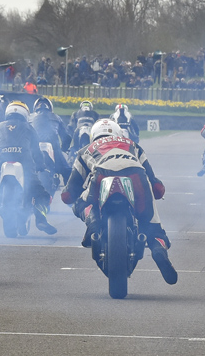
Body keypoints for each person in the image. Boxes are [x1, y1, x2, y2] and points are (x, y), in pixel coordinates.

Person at [61, 119, 177, 285]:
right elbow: (155, 183)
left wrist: (69, 197)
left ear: (93, 135)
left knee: (80, 203)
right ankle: (158, 249)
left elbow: (69, 192)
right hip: (136, 175)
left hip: (101, 174)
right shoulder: (133, 145)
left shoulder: (85, 150)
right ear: (118, 133)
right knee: (152, 226)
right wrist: (157, 192)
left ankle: (93, 221)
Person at [0, 101, 57, 234]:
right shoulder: (29, 128)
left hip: (1, 161)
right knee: (41, 194)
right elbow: (36, 152)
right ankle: (41, 220)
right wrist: (41, 166)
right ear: (25, 113)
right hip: (25, 162)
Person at [28, 96, 73, 177]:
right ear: (50, 107)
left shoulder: (29, 117)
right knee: (67, 171)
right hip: (54, 147)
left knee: (26, 169)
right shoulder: (56, 117)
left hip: (34, 148)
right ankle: (69, 189)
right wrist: (64, 149)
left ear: (35, 107)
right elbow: (66, 137)